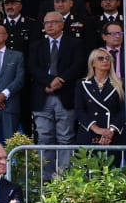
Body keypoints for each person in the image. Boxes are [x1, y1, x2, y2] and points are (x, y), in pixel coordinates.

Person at [27, 12, 85, 175]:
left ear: (62, 24)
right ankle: (46, 177)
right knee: (44, 137)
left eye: (53, 22)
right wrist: (49, 81)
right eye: (46, 23)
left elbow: (78, 64)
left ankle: (64, 177)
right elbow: (32, 67)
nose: (49, 25)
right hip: (42, 96)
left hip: (65, 95)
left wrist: (61, 80)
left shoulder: (74, 44)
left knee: (65, 137)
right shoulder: (36, 45)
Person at [78, 48, 125, 153]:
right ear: (93, 63)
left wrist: (110, 131)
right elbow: (79, 110)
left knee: (112, 168)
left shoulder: (120, 84)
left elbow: (124, 111)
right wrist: (96, 129)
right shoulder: (82, 84)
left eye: (108, 58)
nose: (105, 61)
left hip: (113, 135)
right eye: (100, 58)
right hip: (89, 133)